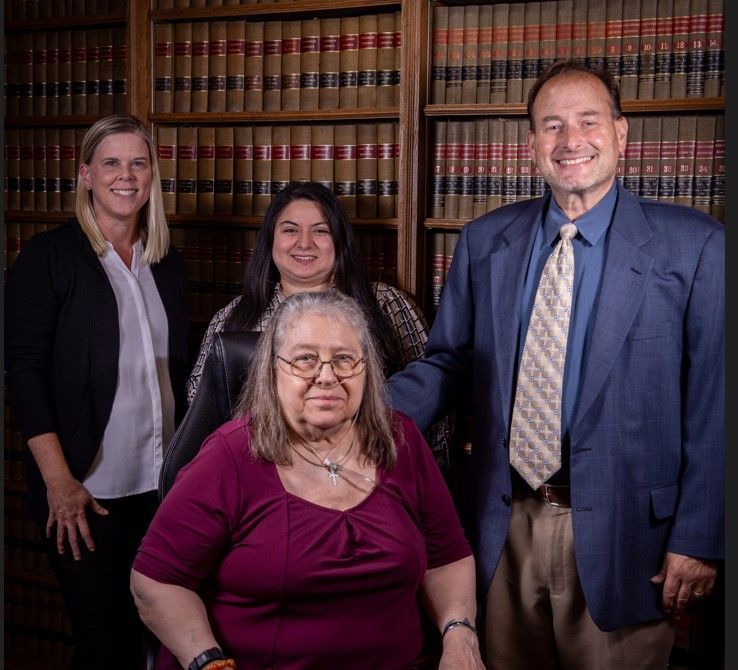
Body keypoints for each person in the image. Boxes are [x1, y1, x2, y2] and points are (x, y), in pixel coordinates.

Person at [387, 61, 724, 669]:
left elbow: (716, 402)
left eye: (588, 122)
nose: (571, 141)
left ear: (621, 136)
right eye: (552, 126)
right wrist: (365, 413)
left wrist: (699, 538)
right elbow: (449, 363)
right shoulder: (486, 240)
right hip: (503, 520)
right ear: (532, 145)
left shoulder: (697, 246)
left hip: (630, 537)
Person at [130, 289, 484, 670]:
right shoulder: (228, 456)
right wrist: (209, 662)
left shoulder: (402, 439)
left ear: (368, 369)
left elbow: (447, 557)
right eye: (305, 360)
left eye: (345, 359)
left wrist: (460, 632)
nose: (327, 376)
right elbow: (155, 584)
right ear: (273, 370)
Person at [5, 115, 189, 669]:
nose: (125, 176)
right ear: (85, 174)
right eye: (111, 162)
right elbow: (23, 373)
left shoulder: (166, 263)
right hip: (87, 495)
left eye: (138, 162)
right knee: (104, 645)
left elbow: (179, 376)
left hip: (160, 490)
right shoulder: (49, 258)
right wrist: (59, 483)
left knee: (159, 640)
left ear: (152, 175)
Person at [186, 180, 451, 464]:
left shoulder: (386, 304)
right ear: (269, 240)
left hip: (371, 471)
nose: (304, 243)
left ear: (340, 240)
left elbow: (433, 400)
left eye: (320, 231)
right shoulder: (233, 317)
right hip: (260, 473)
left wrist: (417, 472)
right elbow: (199, 409)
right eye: (290, 230)